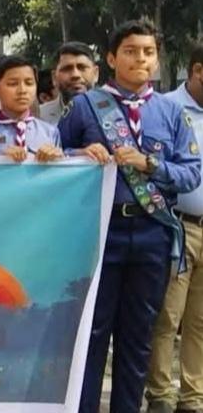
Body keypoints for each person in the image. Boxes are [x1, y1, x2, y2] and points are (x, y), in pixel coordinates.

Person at [59, 20, 201, 413]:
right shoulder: (86, 106)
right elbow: (52, 155)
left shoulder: (171, 111)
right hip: (100, 231)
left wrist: (150, 164)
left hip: (154, 231)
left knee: (139, 335)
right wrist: (79, 155)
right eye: (130, 51)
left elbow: (191, 173)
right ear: (110, 58)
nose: (140, 59)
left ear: (157, 60)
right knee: (93, 331)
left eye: (148, 52)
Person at [146, 42, 203, 413]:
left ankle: (193, 397)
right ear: (197, 71)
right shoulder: (165, 109)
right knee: (167, 317)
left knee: (200, 322)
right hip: (177, 227)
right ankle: (160, 395)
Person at [0, 56, 63, 162]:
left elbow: (60, 171)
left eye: (29, 83)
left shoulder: (50, 132)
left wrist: (55, 159)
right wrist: (0, 162)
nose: (22, 90)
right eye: (13, 84)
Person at [40, 41, 99, 125]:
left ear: (96, 73)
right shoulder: (39, 116)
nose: (75, 75)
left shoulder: (113, 111)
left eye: (82, 68)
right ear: (54, 78)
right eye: (67, 69)